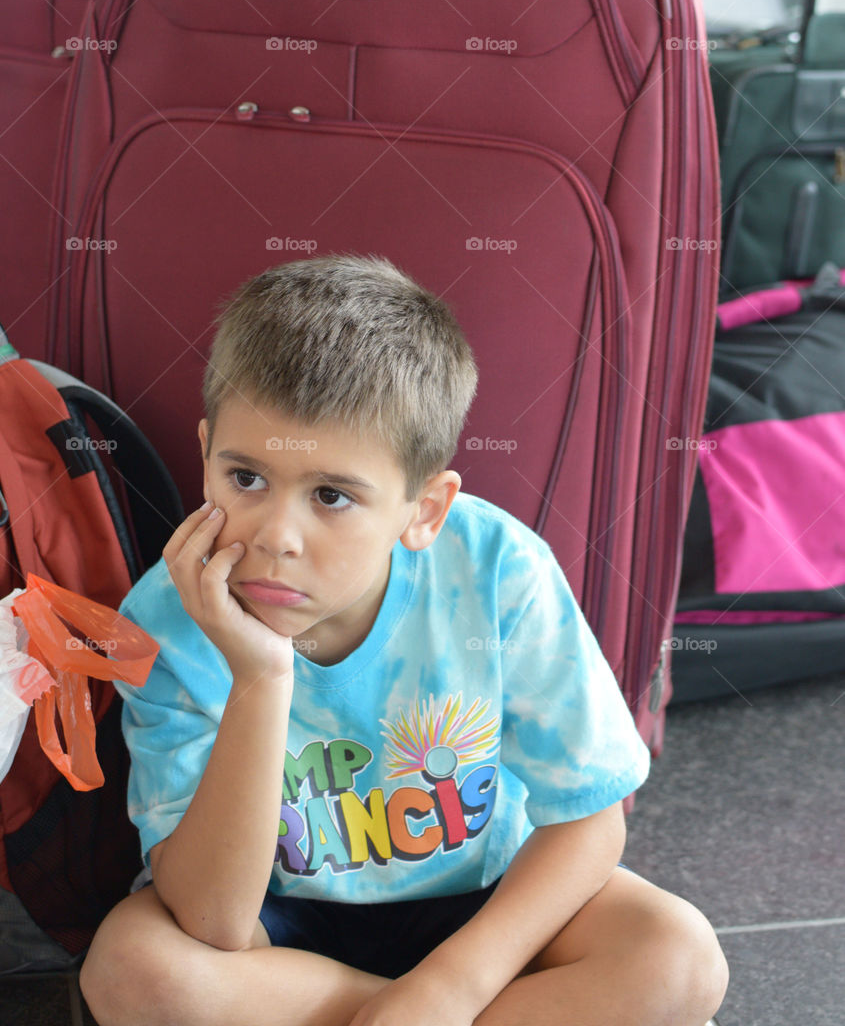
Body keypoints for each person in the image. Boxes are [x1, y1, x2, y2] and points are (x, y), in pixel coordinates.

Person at [80, 254, 728, 1026]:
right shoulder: (166, 618)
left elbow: (589, 820)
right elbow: (213, 920)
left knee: (677, 958)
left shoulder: (496, 569)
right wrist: (260, 678)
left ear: (424, 510)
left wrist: (446, 992)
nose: (275, 537)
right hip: (281, 931)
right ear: (206, 451)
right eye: (245, 477)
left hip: (486, 911)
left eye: (331, 496)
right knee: (132, 970)